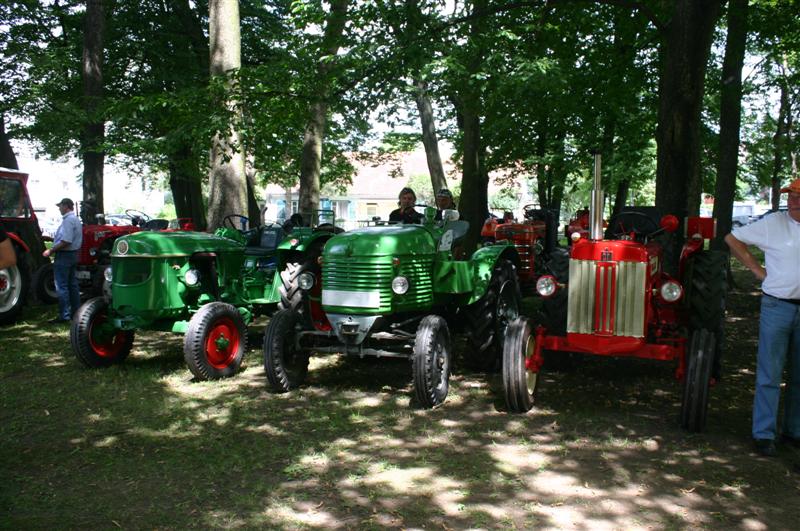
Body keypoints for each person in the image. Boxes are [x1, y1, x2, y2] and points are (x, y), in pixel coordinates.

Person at [725, 178, 800, 457]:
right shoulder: (773, 223)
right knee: (770, 372)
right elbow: (732, 239)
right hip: (777, 306)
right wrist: (758, 272)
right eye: (790, 195)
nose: (794, 200)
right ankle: (764, 434)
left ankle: (794, 431)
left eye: (798, 196)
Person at [44, 198, 83, 324]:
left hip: (64, 255)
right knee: (72, 285)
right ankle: (76, 312)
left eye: (60, 206)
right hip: (73, 255)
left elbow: (66, 241)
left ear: (66, 206)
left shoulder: (68, 221)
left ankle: (64, 315)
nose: (59, 208)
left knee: (62, 286)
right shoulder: (75, 220)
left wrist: (51, 251)